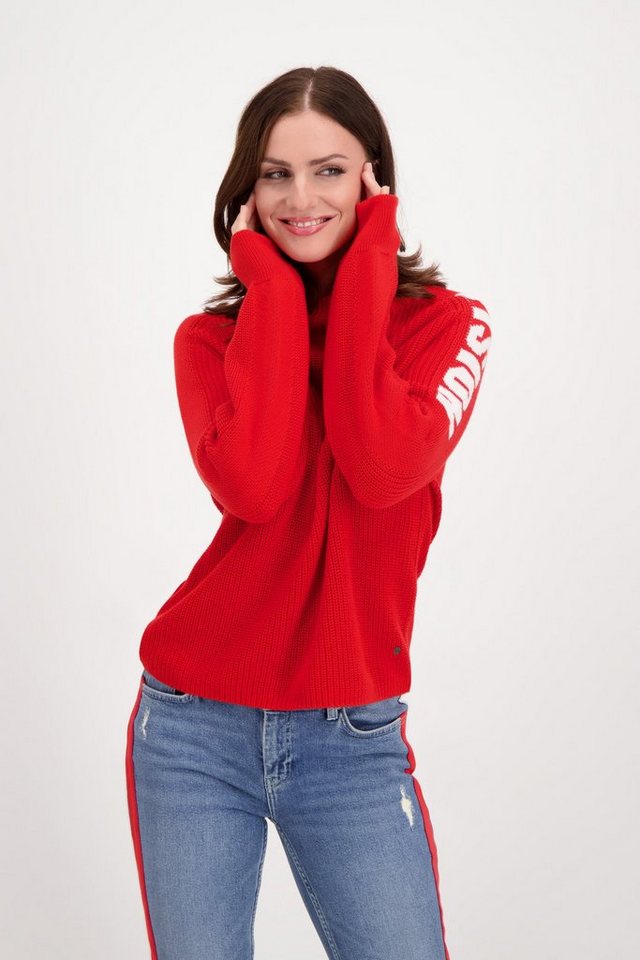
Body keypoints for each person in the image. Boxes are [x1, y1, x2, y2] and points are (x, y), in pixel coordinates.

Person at [125, 65, 492, 960]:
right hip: (193, 726)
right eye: (275, 174)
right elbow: (254, 487)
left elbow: (382, 468)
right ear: (246, 193)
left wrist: (370, 261)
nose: (301, 198)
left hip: (352, 740)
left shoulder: (449, 329)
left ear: (374, 179)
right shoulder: (209, 341)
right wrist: (274, 294)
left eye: (329, 171)